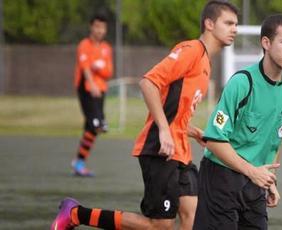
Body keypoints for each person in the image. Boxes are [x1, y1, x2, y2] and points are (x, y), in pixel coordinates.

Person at [51, 1, 238, 230]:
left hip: (180, 150)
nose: (234, 29)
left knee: (193, 213)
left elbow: (175, 111)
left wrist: (191, 131)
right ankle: (76, 214)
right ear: (209, 24)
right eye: (228, 23)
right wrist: (163, 130)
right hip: (160, 150)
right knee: (159, 225)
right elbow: (148, 83)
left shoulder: (206, 62)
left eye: (236, 24)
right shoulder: (191, 51)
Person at [193, 14, 282, 229]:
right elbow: (213, 139)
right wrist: (252, 172)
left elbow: (275, 138)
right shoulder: (242, 82)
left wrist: (270, 180)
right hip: (220, 176)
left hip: (255, 179)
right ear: (266, 43)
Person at [72, 14, 113, 177]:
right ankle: (79, 162)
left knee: (92, 128)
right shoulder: (84, 45)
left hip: (100, 89)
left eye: (102, 27)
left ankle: (79, 162)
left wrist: (99, 68)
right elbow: (85, 67)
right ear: (91, 27)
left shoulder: (106, 48)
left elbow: (108, 72)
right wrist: (93, 82)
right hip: (87, 89)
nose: (99, 30)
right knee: (96, 124)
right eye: (97, 26)